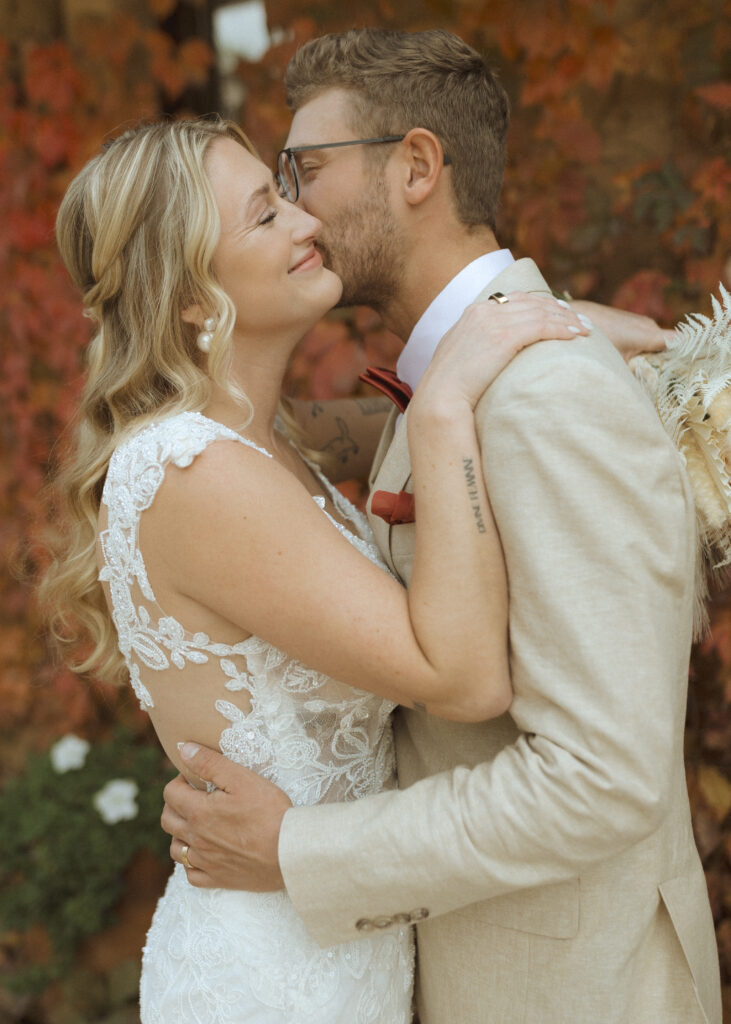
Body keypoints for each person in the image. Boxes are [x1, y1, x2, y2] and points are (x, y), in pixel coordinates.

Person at [161, 28, 723, 1024]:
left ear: (414, 166)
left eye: (304, 168)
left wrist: (297, 851)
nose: (292, 205)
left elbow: (599, 778)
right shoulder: (454, 385)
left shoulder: (543, 398)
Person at [42, 114, 602, 1022]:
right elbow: (458, 677)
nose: (306, 223)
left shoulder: (258, 441)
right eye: (264, 215)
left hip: (340, 947)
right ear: (188, 296)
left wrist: (561, 332)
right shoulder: (194, 470)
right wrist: (444, 409)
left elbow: (410, 416)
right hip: (269, 980)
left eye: (285, 194)